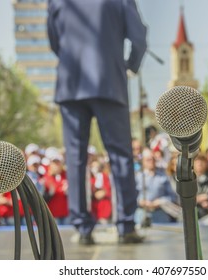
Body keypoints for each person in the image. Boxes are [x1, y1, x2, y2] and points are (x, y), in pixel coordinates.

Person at [47, 0, 147, 244]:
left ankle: (82, 228)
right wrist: (128, 66)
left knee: (75, 158)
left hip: (71, 84)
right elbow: (139, 39)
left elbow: (54, 39)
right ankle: (125, 225)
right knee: (121, 156)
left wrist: (73, 60)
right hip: (109, 82)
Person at [134, 149, 179, 225]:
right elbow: (132, 196)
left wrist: (160, 201)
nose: (151, 161)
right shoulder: (138, 177)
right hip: (142, 214)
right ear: (143, 161)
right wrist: (140, 201)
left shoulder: (164, 176)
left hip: (161, 214)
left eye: (153, 158)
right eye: (148, 159)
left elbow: (173, 196)